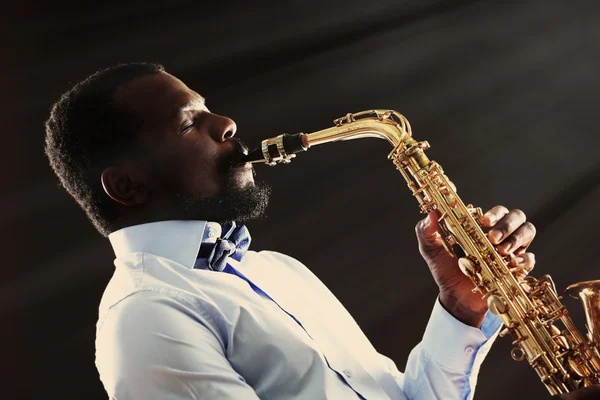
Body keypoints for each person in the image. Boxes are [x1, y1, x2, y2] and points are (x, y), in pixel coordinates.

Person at [42, 62, 581, 400]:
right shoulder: (145, 318)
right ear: (126, 187)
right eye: (188, 123)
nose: (225, 124)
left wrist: (459, 310)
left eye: (209, 110)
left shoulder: (277, 270)